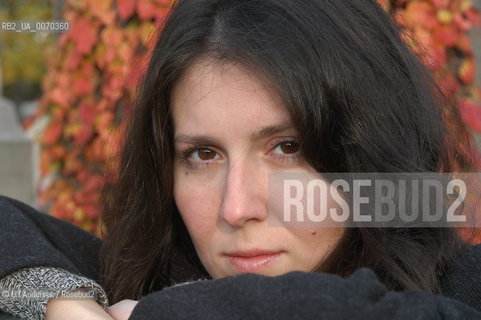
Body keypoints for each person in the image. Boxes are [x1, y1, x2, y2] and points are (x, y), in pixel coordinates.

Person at [1, 0, 481, 319]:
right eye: (202, 154)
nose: (236, 208)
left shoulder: (461, 288)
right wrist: (59, 297)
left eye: (287, 148)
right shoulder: (136, 284)